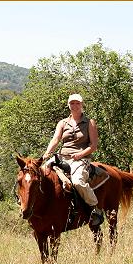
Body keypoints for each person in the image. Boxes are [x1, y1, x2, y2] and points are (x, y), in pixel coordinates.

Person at [42, 93, 104, 226]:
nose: (75, 106)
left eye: (77, 103)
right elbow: (55, 139)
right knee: (40, 173)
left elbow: (93, 146)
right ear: (68, 105)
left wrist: (80, 155)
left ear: (82, 105)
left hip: (81, 159)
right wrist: (47, 153)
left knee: (77, 182)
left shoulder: (89, 123)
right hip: (62, 157)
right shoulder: (63, 123)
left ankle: (95, 208)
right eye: (72, 103)